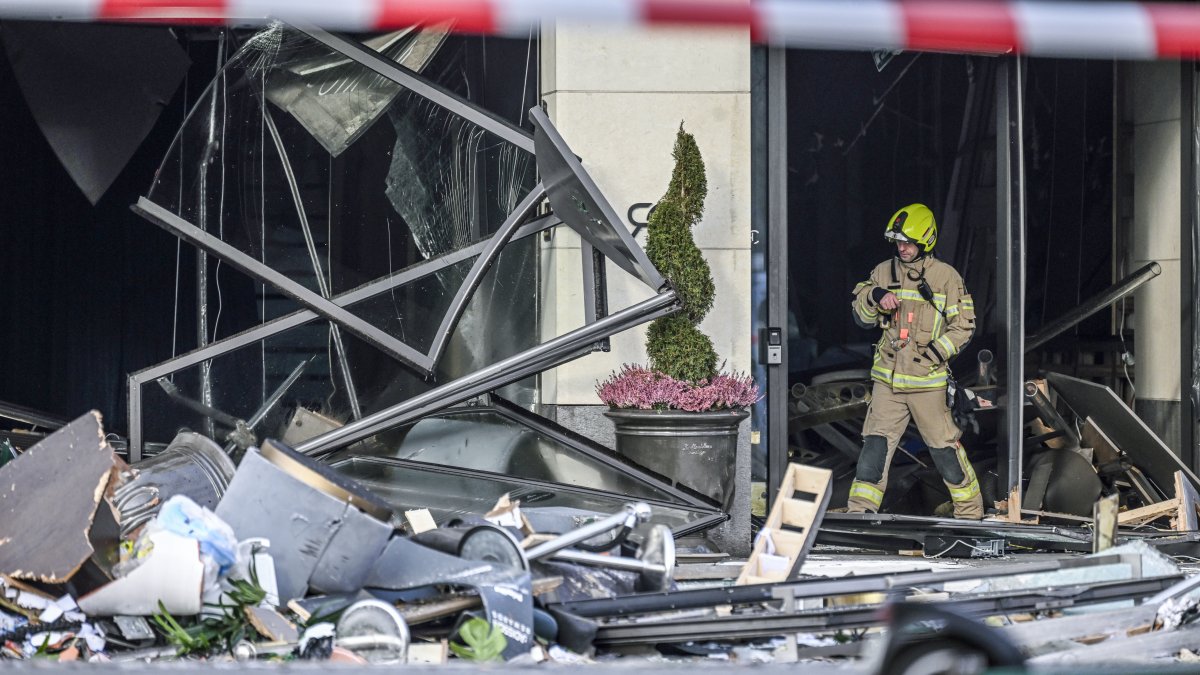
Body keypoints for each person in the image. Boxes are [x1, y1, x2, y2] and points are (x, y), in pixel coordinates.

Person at [847, 203, 983, 519]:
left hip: (927, 384)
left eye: (908, 242)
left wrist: (933, 355)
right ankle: (859, 513)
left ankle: (970, 514)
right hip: (887, 383)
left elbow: (964, 325)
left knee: (944, 451)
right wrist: (875, 296)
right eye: (898, 242)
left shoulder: (946, 277)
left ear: (925, 241)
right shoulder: (883, 272)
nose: (902, 248)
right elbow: (861, 316)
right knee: (874, 450)